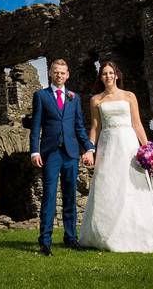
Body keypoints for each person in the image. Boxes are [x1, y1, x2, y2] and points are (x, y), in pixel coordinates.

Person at [79, 60, 153, 252]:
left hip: (128, 144)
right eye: (104, 74)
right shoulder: (96, 100)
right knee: (108, 184)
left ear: (116, 75)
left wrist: (148, 148)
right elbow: (95, 127)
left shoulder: (129, 96)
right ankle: (104, 235)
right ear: (101, 77)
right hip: (108, 145)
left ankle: (137, 233)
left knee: (131, 185)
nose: (107, 76)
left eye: (110, 73)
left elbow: (137, 123)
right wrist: (90, 150)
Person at [29, 58, 95, 256]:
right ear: (50, 73)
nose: (59, 75)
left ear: (68, 75)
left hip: (71, 153)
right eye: (56, 72)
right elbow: (36, 126)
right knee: (49, 196)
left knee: (70, 196)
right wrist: (34, 151)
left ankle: (70, 237)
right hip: (50, 154)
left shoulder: (74, 98)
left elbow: (79, 127)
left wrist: (89, 148)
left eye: (63, 72)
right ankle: (45, 241)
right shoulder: (41, 96)